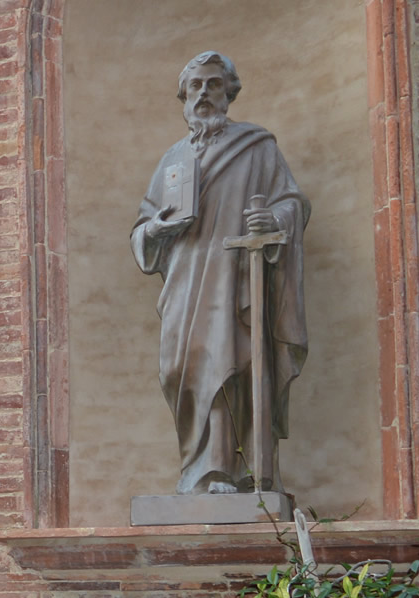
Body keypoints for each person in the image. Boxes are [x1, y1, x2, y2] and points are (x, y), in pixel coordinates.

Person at [132, 51, 308, 495]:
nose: (204, 94)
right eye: (196, 86)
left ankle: (227, 470)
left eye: (213, 84)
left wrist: (275, 221)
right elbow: (144, 225)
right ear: (184, 97)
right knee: (181, 368)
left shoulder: (257, 146)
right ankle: (194, 465)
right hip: (185, 279)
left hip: (234, 276)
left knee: (229, 362)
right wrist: (158, 229)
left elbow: (292, 201)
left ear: (230, 92)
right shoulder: (172, 159)